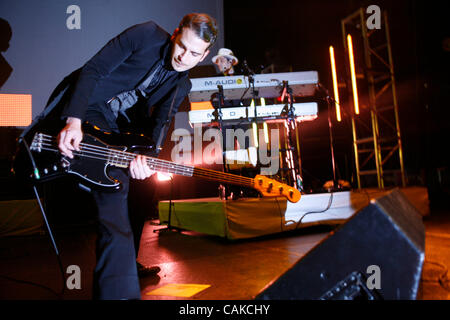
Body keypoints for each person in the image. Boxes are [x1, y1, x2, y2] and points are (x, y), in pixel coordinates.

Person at [56, 13, 218, 300]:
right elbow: (92, 70)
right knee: (115, 188)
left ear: (205, 54)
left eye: (194, 53)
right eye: (181, 46)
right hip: (87, 107)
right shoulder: (145, 34)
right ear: (175, 33)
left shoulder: (182, 85)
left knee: (141, 188)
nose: (183, 57)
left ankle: (123, 269)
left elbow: (159, 128)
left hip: (115, 127)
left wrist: (149, 159)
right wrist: (73, 120)